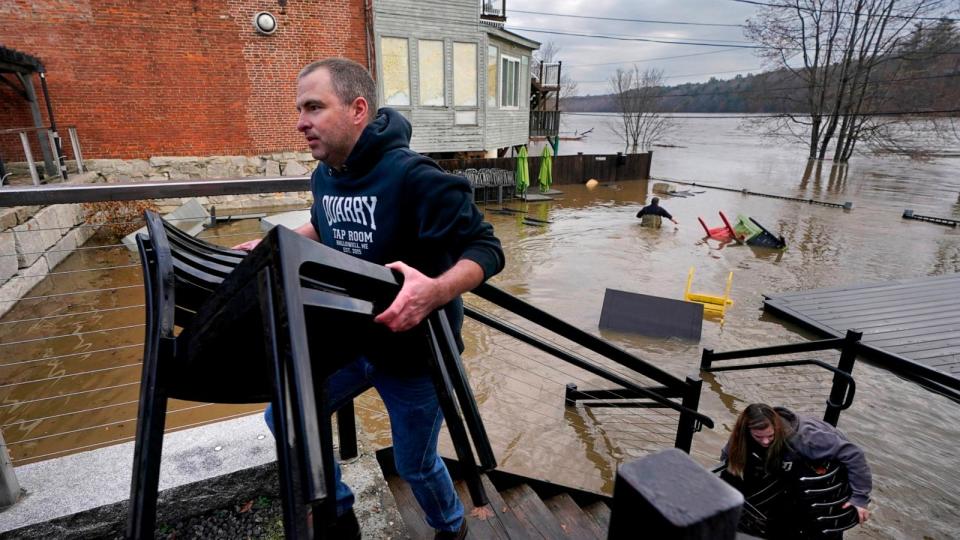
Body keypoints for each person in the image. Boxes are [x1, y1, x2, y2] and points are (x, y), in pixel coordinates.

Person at [234, 58, 504, 540]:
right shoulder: (326, 174)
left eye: (314, 107)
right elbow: (325, 224)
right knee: (286, 416)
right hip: (349, 340)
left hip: (416, 355)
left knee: (414, 463)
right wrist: (277, 244)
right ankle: (338, 509)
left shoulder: (416, 177)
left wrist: (436, 291)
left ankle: (451, 527)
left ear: (358, 109)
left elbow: (487, 248)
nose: (301, 122)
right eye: (300, 109)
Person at [721, 404, 872, 539]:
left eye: (770, 436)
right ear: (747, 430)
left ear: (776, 427)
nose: (766, 441)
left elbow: (853, 454)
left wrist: (860, 498)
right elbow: (728, 457)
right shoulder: (741, 436)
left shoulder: (804, 438)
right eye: (759, 437)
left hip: (824, 481)